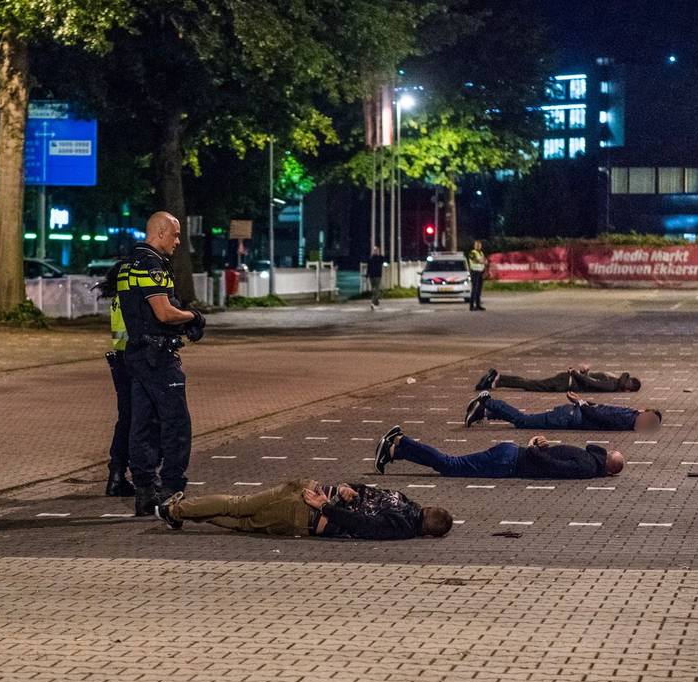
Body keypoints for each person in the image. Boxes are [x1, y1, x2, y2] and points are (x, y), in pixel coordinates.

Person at [118, 211, 207, 516]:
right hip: (158, 357)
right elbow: (163, 312)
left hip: (137, 353)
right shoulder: (151, 264)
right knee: (176, 423)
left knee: (142, 424)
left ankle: (145, 490)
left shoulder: (128, 262)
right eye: (175, 234)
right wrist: (193, 317)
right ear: (159, 232)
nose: (178, 241)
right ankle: (171, 488)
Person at [154, 479, 454, 540]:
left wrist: (343, 489)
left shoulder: (401, 498)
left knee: (239, 506)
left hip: (310, 488)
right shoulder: (401, 527)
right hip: (307, 514)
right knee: (241, 519)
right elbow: (361, 525)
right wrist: (325, 506)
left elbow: (357, 489)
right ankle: (175, 511)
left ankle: (179, 511)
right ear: (427, 533)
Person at [375, 425, 625, 479]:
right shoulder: (586, 468)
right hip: (510, 463)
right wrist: (531, 448)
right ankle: (401, 440)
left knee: (452, 464)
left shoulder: (586, 454)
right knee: (451, 465)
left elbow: (553, 455)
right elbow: (552, 467)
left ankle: (396, 451)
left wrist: (535, 445)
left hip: (509, 452)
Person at [96, 262, 136, 496]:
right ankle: (125, 474)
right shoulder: (130, 299)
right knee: (137, 420)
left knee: (127, 419)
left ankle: (117, 473)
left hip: (121, 361)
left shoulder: (118, 299)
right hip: (133, 361)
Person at [465, 390, 662, 432]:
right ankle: (487, 401)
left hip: (571, 414)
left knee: (527, 420)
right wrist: (582, 403)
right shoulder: (627, 418)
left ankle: (483, 413)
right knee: (523, 421)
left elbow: (600, 409)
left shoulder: (629, 414)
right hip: (569, 417)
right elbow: (599, 414)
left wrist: (583, 402)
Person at [474, 365, 641, 393]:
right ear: (627, 388)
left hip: (567, 379)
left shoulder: (613, 379)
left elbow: (590, 379)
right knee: (531, 384)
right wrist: (577, 374)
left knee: (531, 383)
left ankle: (498, 380)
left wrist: (582, 372)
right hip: (566, 382)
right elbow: (591, 382)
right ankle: (498, 378)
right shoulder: (612, 385)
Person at [466, 240, 486, 311]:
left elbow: (484, 262)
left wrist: (484, 271)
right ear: (474, 246)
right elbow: (475, 260)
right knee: (474, 289)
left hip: (480, 272)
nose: (478, 246)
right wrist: (482, 261)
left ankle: (478, 305)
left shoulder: (481, 253)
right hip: (475, 272)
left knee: (479, 290)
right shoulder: (472, 252)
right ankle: (471, 306)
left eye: (479, 245)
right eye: (477, 245)